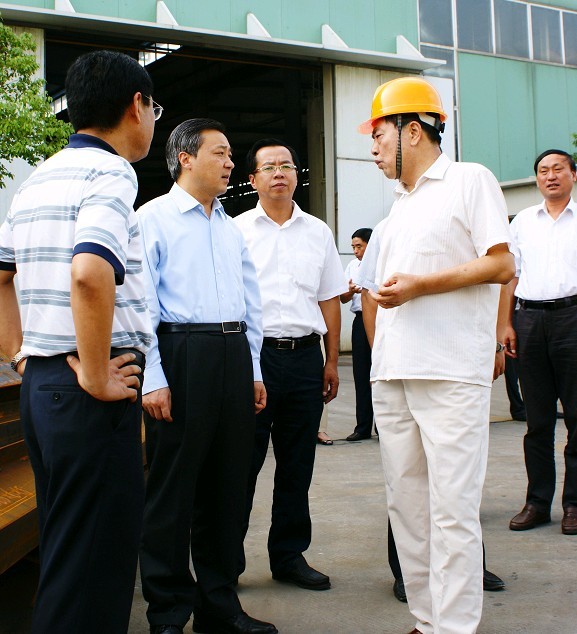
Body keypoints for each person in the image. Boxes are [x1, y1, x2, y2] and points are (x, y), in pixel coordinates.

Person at [0, 50, 157, 633]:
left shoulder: (37, 178)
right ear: (136, 105)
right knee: (95, 570)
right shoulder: (110, 173)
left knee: (67, 557)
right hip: (88, 389)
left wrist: (20, 353)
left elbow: (1, 276)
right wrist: (93, 372)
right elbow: (91, 272)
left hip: (43, 385)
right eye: (154, 108)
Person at [356, 77, 514, 634]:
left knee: (452, 511)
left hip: (449, 371)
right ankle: (425, 621)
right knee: (408, 509)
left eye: (379, 135)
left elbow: (501, 264)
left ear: (413, 131)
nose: (373, 149)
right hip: (394, 372)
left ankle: (455, 627)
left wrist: (420, 286)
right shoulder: (399, 207)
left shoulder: (469, 181)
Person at [137, 119, 277, 634]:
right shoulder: (152, 219)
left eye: (230, 154)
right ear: (185, 158)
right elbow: (140, 305)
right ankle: (168, 611)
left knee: (227, 486)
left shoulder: (228, 226)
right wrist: (153, 377)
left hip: (232, 353)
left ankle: (219, 605)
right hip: (181, 352)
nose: (230, 163)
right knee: (173, 490)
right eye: (220, 153)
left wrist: (253, 369)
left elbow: (250, 302)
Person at [234, 139, 347, 591]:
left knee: (297, 464)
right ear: (252, 179)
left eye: (286, 165)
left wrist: (331, 360)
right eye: (269, 167)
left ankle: (288, 556)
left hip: (304, 359)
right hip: (252, 358)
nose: (279, 172)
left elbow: (329, 298)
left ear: (298, 174)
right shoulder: (235, 230)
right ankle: (227, 560)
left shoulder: (318, 232)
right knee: (241, 464)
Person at [502, 149, 577, 536]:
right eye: (543, 171)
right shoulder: (523, 222)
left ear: (573, 175)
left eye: (558, 169)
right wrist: (506, 323)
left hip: (572, 317)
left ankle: (574, 504)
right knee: (538, 421)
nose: (550, 176)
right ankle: (537, 502)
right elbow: (510, 276)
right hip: (529, 320)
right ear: (537, 179)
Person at [340, 227, 374, 441]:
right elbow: (342, 298)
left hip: (380, 319)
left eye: (359, 246)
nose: (355, 251)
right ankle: (363, 426)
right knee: (361, 374)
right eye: (353, 247)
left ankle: (383, 426)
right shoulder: (353, 266)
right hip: (360, 321)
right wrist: (351, 290)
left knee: (379, 374)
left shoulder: (382, 263)